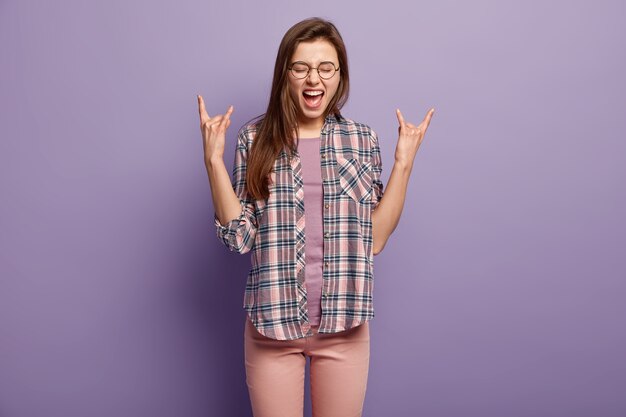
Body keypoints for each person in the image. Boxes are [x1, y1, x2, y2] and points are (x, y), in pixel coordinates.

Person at [197, 17, 434, 417]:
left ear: (340, 75)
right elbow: (239, 239)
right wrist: (212, 162)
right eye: (301, 67)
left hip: (344, 328)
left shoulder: (361, 139)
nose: (314, 79)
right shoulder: (253, 140)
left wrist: (404, 164)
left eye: (326, 68)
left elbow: (374, 238)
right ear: (285, 74)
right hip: (272, 324)